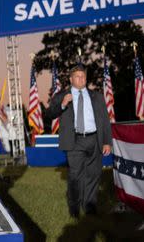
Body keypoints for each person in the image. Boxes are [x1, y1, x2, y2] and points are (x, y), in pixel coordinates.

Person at [46, 65, 112, 218]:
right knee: (75, 176)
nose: (81, 79)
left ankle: (89, 207)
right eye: (77, 76)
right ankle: (74, 209)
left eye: (83, 76)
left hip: (95, 139)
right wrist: (62, 104)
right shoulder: (63, 95)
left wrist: (107, 141)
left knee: (93, 174)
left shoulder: (97, 96)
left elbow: (105, 120)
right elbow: (49, 114)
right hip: (75, 140)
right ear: (71, 79)